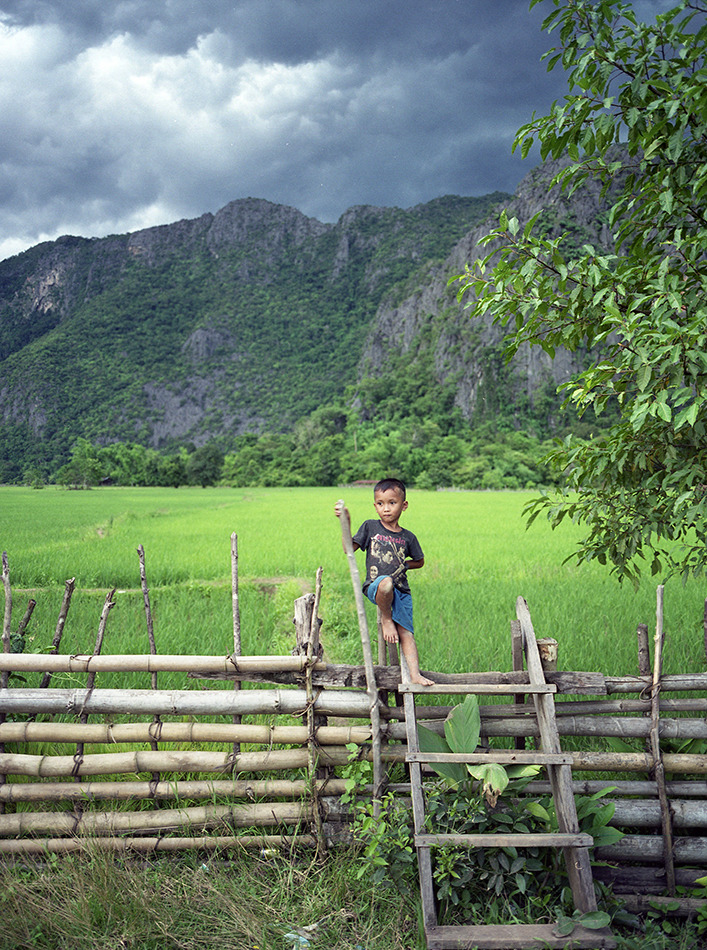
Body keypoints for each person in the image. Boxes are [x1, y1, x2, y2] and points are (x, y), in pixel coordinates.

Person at [335, 478, 434, 687]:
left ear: (404, 505)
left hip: (402, 592)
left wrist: (404, 565)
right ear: (375, 506)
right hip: (376, 587)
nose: (386, 508)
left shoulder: (408, 537)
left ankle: (415, 675)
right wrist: (347, 522)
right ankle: (387, 618)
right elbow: (348, 548)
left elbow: (420, 561)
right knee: (386, 582)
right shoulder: (370, 527)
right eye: (380, 503)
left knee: (407, 633)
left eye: (392, 503)